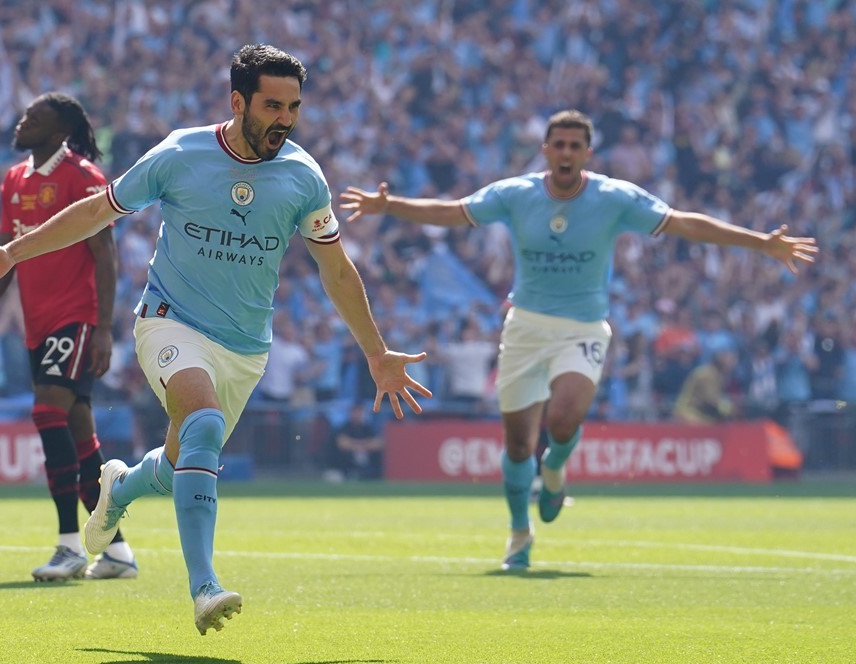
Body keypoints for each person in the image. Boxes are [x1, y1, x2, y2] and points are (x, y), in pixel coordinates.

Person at [0, 45, 431, 634]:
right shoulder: (180, 153)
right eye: (272, 106)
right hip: (169, 321)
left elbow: (337, 270)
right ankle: (205, 586)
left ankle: (122, 487)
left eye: (294, 107)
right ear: (238, 102)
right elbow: (97, 212)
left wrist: (376, 352)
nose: (285, 119)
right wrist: (12, 255)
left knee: (181, 462)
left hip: (245, 346)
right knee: (203, 425)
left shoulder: (304, 176)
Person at [340, 109, 817, 571]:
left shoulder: (614, 197)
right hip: (525, 328)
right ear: (546, 150)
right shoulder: (516, 193)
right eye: (559, 145)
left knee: (564, 420)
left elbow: (683, 222)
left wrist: (761, 242)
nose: (566, 153)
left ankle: (555, 469)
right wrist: (390, 205)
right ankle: (519, 533)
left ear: (587, 152)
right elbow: (455, 212)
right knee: (518, 445)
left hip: (583, 328)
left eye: (575, 146)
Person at [0, 92, 137, 582]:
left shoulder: (83, 177)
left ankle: (68, 545)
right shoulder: (14, 180)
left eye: (34, 118)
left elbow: (104, 253)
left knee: (47, 412)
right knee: (81, 435)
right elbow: (6, 252)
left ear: (61, 131)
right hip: (37, 321)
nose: (22, 122)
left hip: (76, 315)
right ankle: (118, 551)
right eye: (25, 115)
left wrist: (102, 327)